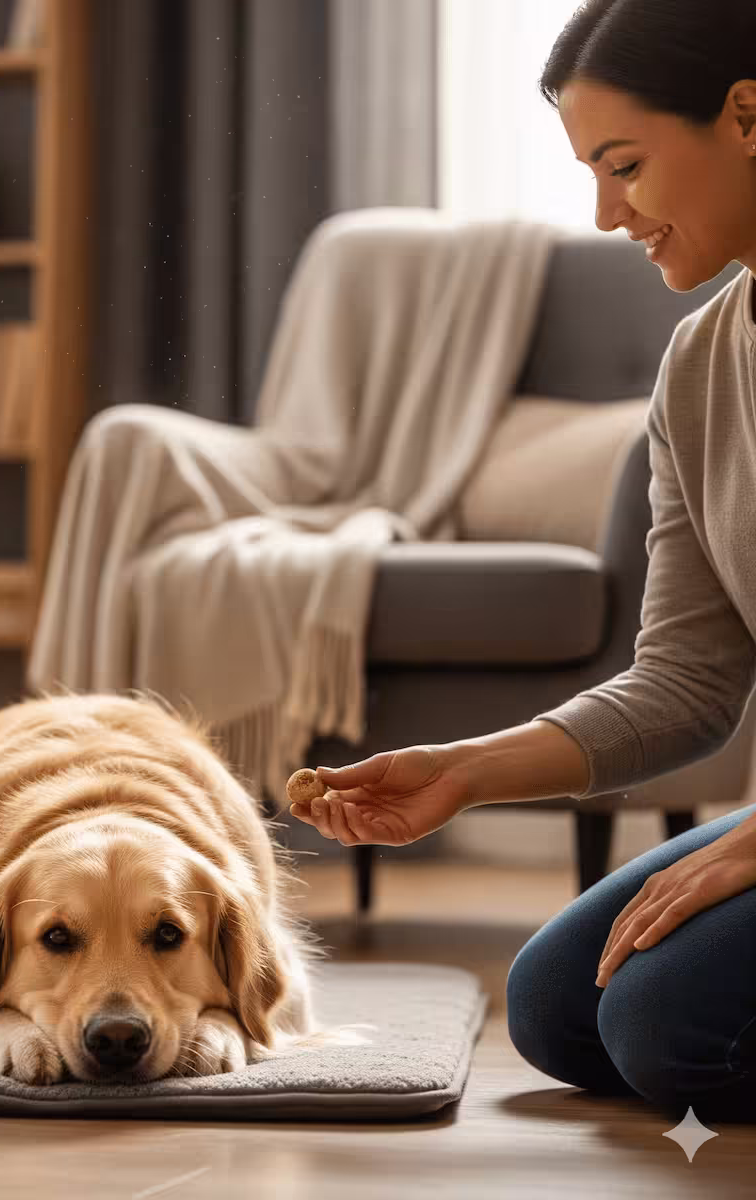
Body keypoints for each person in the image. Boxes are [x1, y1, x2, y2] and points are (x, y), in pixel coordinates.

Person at [291, 0, 756, 1124]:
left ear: (747, 115)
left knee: (665, 1029)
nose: (605, 215)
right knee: (558, 1006)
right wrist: (466, 770)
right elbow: (688, 682)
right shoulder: (700, 365)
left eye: (626, 165)